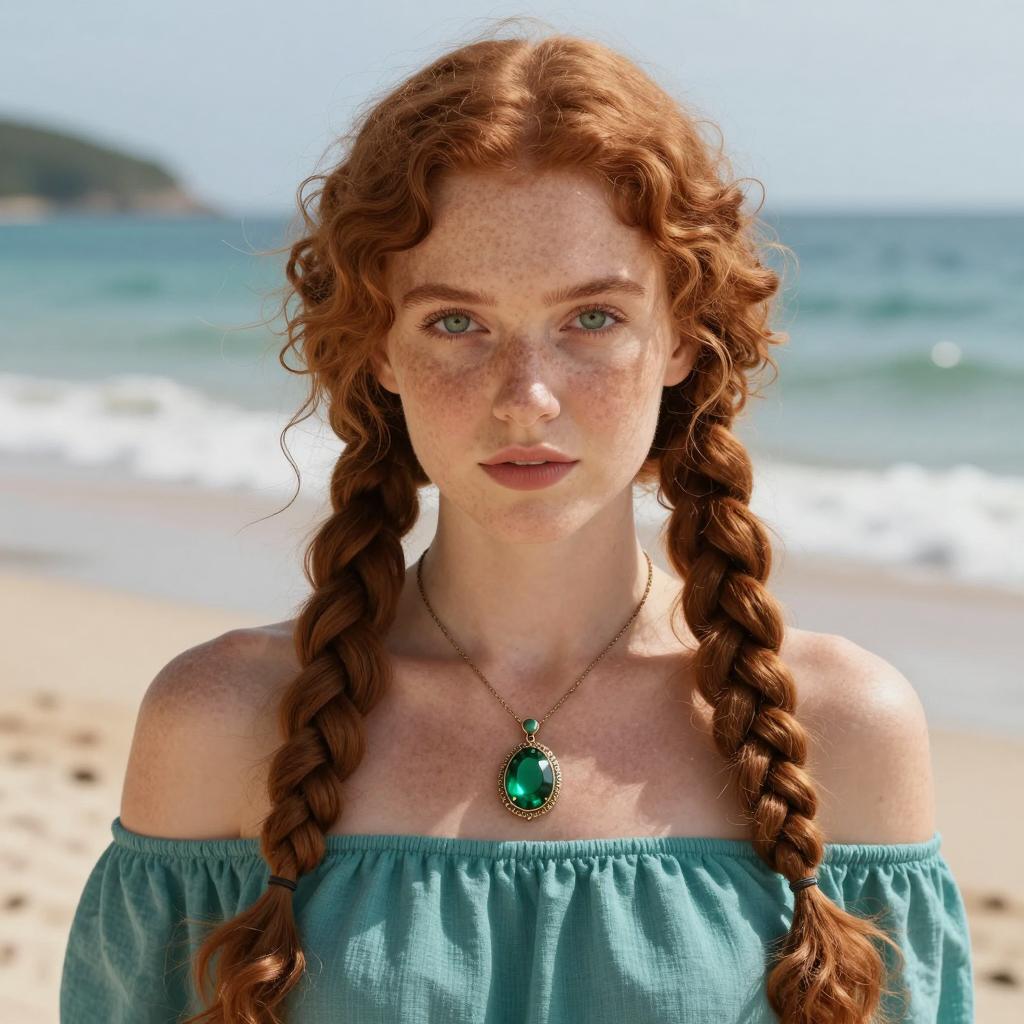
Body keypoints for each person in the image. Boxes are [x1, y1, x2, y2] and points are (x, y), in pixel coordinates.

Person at [59, 20, 974, 1024]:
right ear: (377, 348)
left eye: (593, 318)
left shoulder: (839, 729)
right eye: (457, 321)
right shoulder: (222, 721)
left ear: (682, 334)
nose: (526, 396)